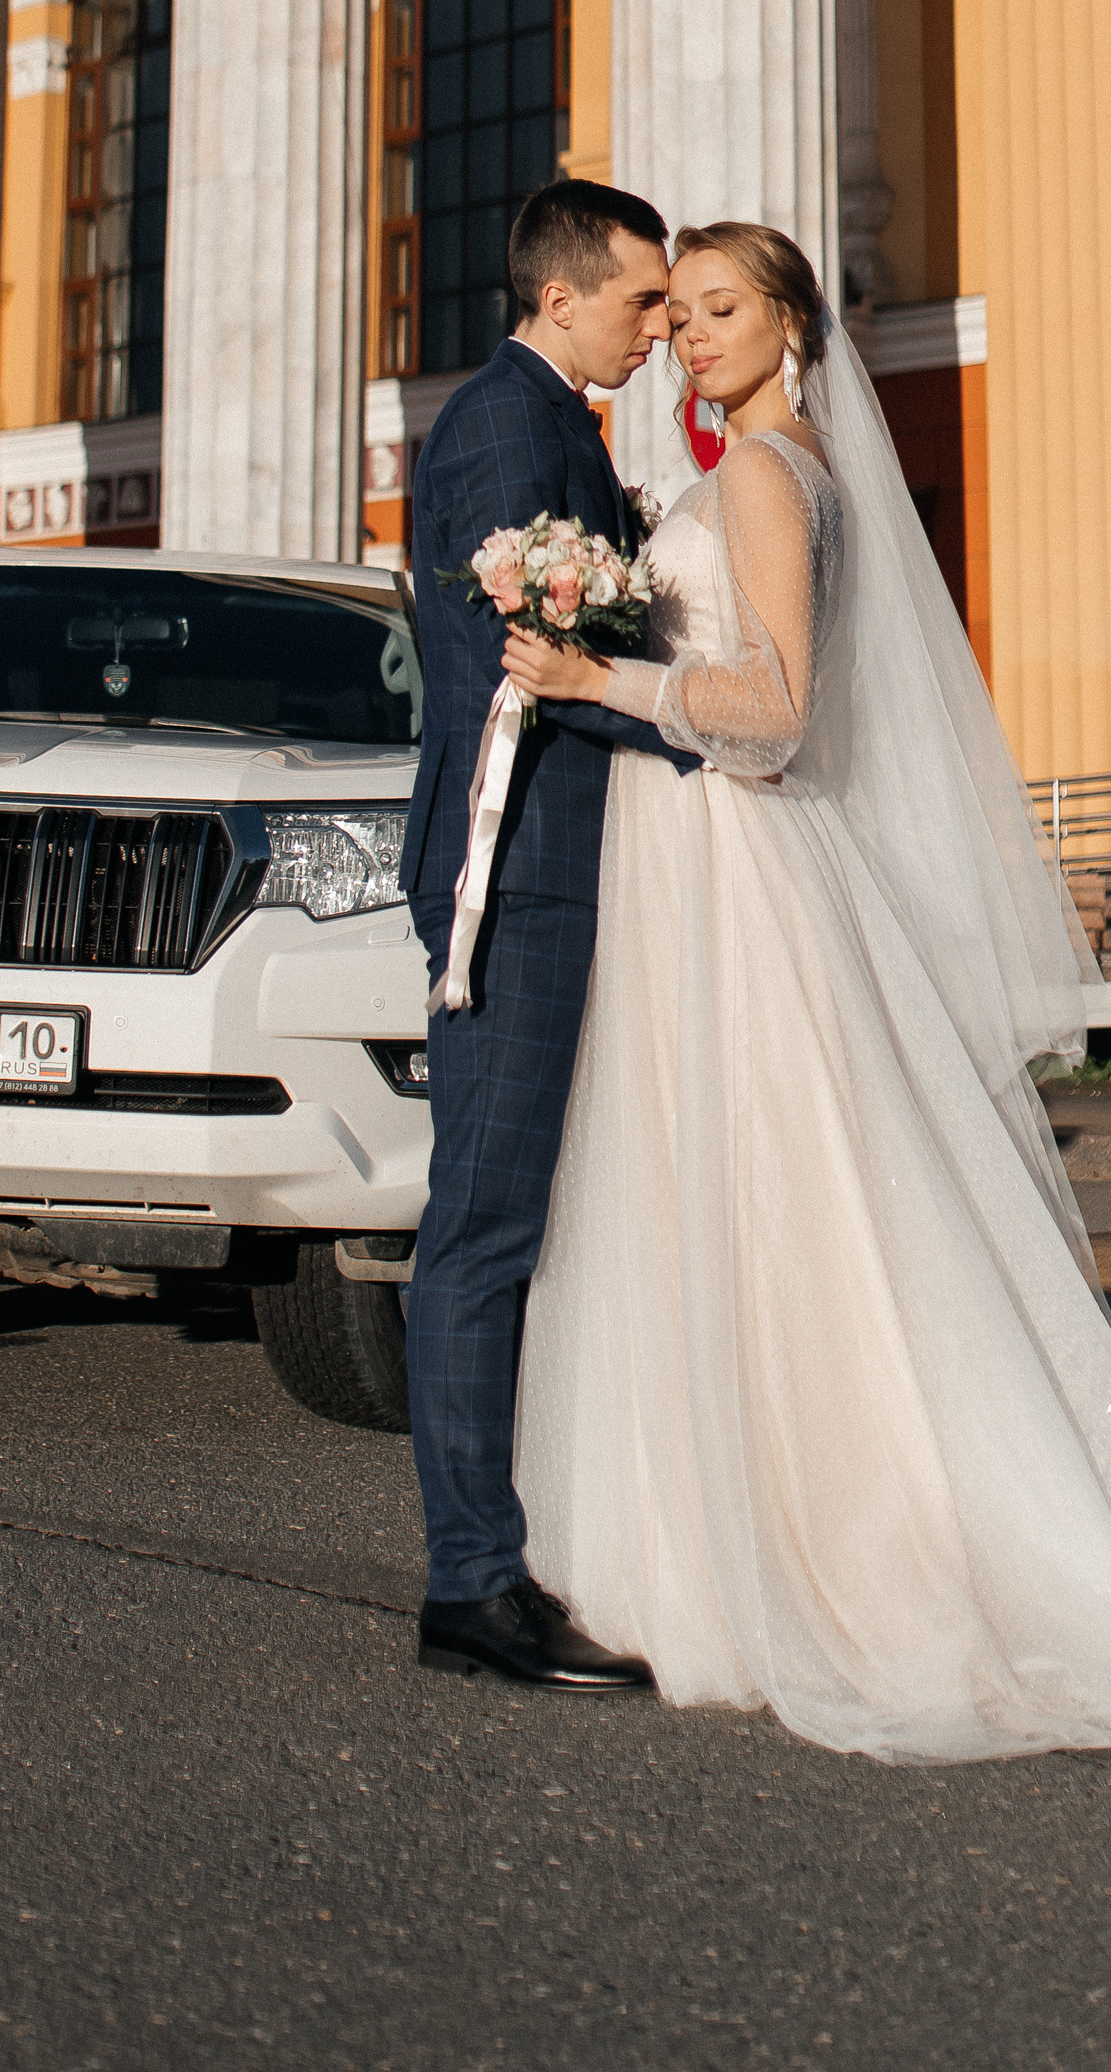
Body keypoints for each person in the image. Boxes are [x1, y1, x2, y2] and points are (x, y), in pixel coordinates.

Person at [497, 220, 1111, 1756]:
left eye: (721, 310)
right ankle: (731, 1534)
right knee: (750, 1201)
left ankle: (800, 1549)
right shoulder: (754, 480)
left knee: (777, 1202)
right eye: (680, 312)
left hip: (740, 869)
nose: (692, 336)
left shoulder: (769, 479)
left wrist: (603, 675)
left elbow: (769, 716)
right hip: (704, 871)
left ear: (790, 328)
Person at [400, 177, 691, 1691]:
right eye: (643, 298)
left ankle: (516, 1549)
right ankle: (471, 1585)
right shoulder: (514, 426)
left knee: (524, 1221)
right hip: (515, 874)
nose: (661, 324)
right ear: (562, 295)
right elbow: (535, 662)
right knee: (484, 1225)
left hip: (557, 865)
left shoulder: (550, 418)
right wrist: (706, 730)